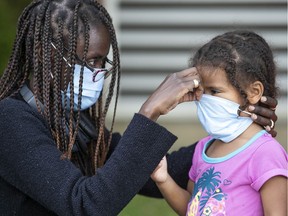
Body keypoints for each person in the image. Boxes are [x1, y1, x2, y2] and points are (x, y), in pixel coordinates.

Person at [0, 0, 278, 215]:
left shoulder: (72, 123)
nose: (97, 72)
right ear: (48, 55)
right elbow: (86, 205)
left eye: (102, 63)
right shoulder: (11, 121)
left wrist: (240, 136)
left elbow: (144, 170)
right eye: (91, 61)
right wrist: (149, 112)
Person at [151, 30, 287, 216]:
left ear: (253, 92)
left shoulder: (265, 153)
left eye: (214, 91)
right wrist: (163, 179)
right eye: (201, 90)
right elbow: (193, 209)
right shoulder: (203, 148)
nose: (205, 99)